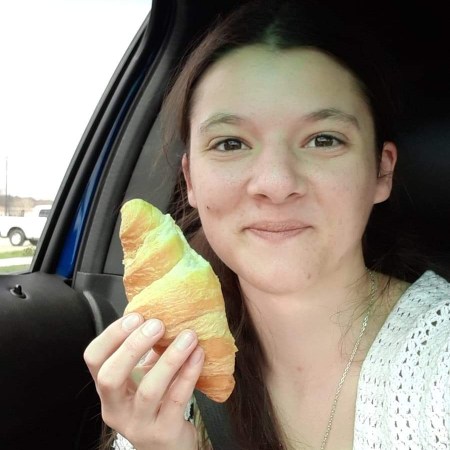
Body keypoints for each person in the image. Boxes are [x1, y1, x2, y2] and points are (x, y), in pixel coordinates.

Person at [83, 1, 450, 449]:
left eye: (323, 139)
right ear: (191, 181)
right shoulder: (161, 376)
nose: (276, 184)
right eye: (231, 143)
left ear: (382, 171)